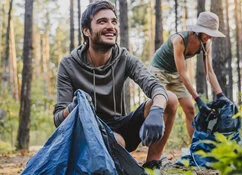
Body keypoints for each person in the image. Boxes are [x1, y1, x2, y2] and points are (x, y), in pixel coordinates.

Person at [53, 0, 178, 170]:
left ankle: (152, 164)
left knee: (168, 99)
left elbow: (155, 86)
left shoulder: (125, 58)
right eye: (102, 21)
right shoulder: (68, 64)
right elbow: (58, 119)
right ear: (86, 31)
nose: (111, 26)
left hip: (121, 125)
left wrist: (156, 111)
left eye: (114, 21)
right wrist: (73, 107)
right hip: (90, 132)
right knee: (116, 142)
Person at [150, 11, 231, 140]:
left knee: (190, 110)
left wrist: (221, 95)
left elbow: (209, 72)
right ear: (199, 30)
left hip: (175, 74)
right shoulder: (180, 40)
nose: (210, 37)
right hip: (159, 71)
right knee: (165, 108)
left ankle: (195, 148)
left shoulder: (206, 43)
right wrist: (198, 100)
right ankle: (155, 152)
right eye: (208, 33)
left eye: (212, 34)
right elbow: (183, 73)